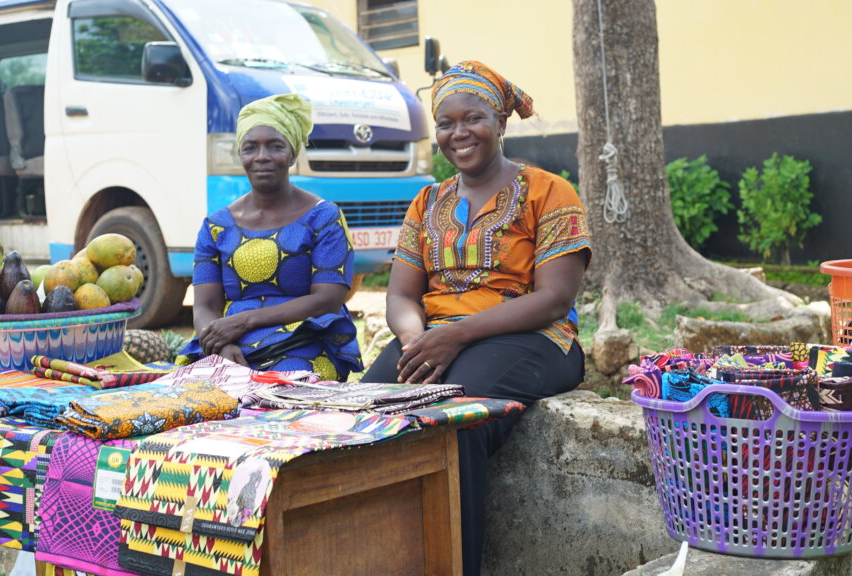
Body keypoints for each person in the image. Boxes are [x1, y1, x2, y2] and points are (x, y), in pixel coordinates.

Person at [361, 61, 592, 575]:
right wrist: (417, 338)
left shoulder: (549, 192)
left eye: (474, 118)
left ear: (502, 123)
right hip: (440, 335)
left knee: (456, 421)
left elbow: (554, 298)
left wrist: (456, 336)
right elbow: (400, 295)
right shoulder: (427, 201)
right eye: (446, 123)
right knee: (360, 412)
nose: (459, 132)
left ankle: (451, 565)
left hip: (534, 339)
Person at [177, 94, 362, 380]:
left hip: (305, 339)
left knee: (285, 390)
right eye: (251, 148)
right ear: (241, 155)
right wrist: (222, 345)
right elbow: (204, 306)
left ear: (292, 154)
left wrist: (245, 321)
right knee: (190, 399)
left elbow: (328, 299)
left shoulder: (323, 217)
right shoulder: (216, 227)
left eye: (275, 146)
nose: (262, 156)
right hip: (228, 345)